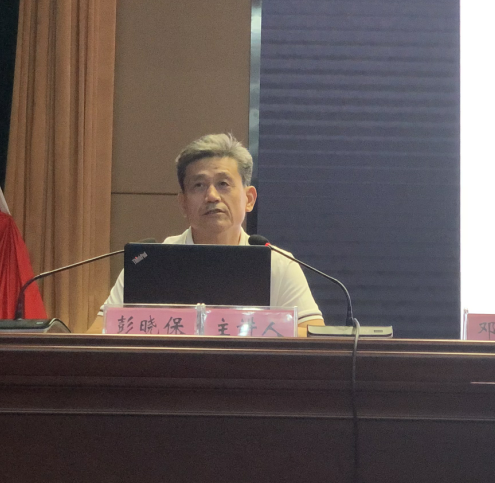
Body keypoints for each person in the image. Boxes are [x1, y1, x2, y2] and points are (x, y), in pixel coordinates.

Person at [88, 133, 323, 335]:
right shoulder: (149, 262)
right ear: (183, 203)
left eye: (223, 184)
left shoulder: (277, 263)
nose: (211, 196)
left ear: (249, 199)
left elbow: (313, 336)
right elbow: (98, 333)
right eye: (199, 185)